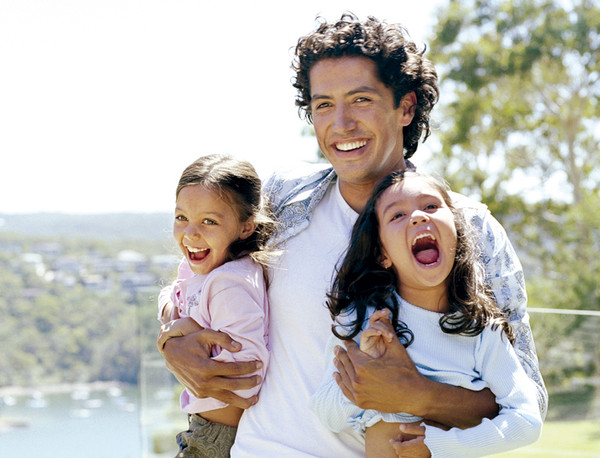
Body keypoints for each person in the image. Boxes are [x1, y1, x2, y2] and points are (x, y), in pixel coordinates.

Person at [160, 13, 548, 457]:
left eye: (360, 99)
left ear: (405, 107)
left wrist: (418, 395)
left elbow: (526, 399)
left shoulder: (468, 229)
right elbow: (200, 273)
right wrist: (172, 339)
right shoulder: (283, 198)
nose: (340, 123)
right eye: (324, 104)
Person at [309, 170, 543, 457]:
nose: (419, 217)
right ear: (383, 254)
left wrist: (439, 445)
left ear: (456, 232)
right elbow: (327, 415)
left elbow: (527, 420)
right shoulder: (365, 320)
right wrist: (366, 369)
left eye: (431, 206)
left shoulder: (482, 330)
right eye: (397, 216)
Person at [156, 154, 274, 457]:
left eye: (209, 221)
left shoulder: (229, 285)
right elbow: (172, 297)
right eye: (182, 217)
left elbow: (245, 382)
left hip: (220, 436)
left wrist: (186, 329)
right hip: (204, 428)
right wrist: (176, 323)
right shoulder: (198, 267)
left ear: (246, 227)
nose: (191, 233)